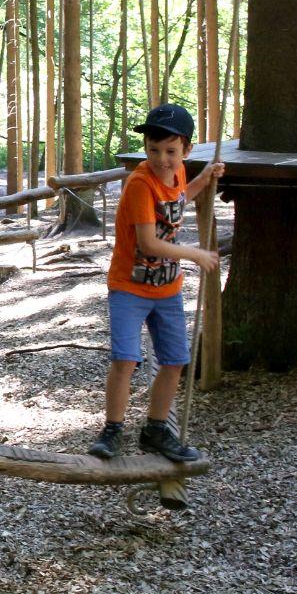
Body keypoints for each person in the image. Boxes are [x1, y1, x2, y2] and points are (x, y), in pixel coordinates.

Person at [87, 103, 224, 463]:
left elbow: (178, 200)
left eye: (170, 151)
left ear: (186, 150)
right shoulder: (139, 184)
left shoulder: (176, 174)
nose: (162, 159)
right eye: (154, 150)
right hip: (129, 288)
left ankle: (156, 429)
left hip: (167, 289)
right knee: (126, 358)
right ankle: (112, 429)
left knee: (175, 360)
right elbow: (148, 244)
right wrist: (194, 253)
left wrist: (204, 177)